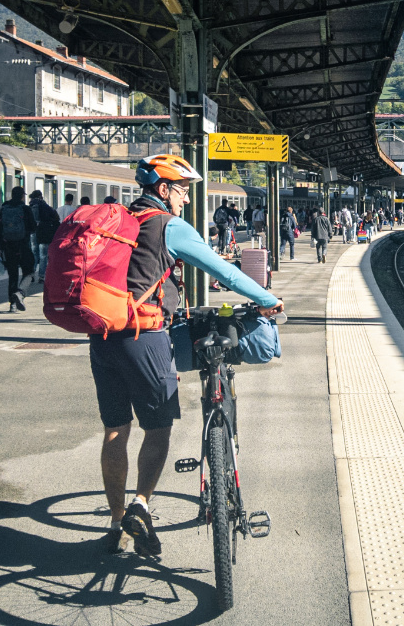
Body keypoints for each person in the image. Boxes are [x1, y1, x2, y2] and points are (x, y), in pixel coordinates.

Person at [92, 154, 283, 557]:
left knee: (116, 429)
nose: (184, 200)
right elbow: (224, 272)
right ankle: (140, 507)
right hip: (144, 335)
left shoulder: (118, 222)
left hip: (103, 335)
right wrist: (269, 300)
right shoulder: (169, 226)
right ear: (163, 190)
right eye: (181, 191)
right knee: (157, 429)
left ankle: (116, 523)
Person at [0, 186, 37, 311]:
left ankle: (12, 305)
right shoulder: (25, 209)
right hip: (23, 245)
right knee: (29, 272)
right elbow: (33, 227)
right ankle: (20, 293)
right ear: (22, 196)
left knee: (12, 275)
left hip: (8, 246)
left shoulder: (4, 209)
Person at [28, 190, 61, 283]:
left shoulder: (30, 206)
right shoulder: (46, 206)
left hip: (33, 233)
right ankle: (41, 277)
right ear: (40, 196)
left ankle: (31, 275)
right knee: (43, 256)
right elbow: (55, 218)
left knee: (34, 254)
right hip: (44, 233)